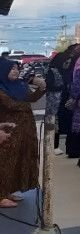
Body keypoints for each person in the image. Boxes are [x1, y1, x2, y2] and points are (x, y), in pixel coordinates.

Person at [0, 57, 47, 208]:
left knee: (18, 160)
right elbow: (12, 104)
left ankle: (8, 190)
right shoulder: (1, 88)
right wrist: (27, 97)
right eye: (11, 68)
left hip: (25, 129)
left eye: (16, 68)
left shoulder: (19, 85)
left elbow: (31, 98)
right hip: (8, 130)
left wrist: (41, 88)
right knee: (5, 161)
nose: (15, 71)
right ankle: (1, 195)